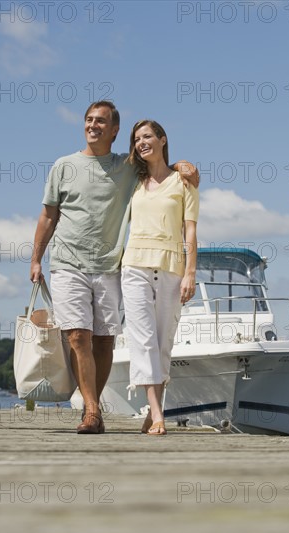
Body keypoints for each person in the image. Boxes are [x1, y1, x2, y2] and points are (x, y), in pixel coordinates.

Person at [30, 101, 199, 434]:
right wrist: (36, 258)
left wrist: (184, 165)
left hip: (110, 266)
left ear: (114, 130)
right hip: (68, 263)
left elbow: (159, 168)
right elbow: (48, 216)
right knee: (78, 336)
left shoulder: (128, 167)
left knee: (105, 341)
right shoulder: (64, 166)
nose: (93, 125)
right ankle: (92, 411)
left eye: (101, 121)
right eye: (89, 120)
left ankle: (95, 404)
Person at [121, 120, 199, 436]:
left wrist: (190, 273)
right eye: (137, 138)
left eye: (148, 136)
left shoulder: (184, 182)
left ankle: (153, 413)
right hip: (135, 265)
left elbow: (190, 230)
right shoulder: (131, 181)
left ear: (162, 139)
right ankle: (157, 414)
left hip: (171, 268)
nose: (142, 142)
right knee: (142, 340)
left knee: (162, 341)